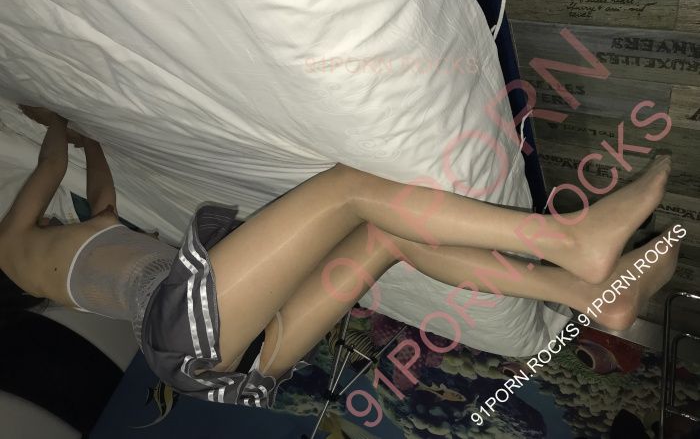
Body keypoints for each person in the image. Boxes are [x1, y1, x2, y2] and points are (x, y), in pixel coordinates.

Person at [0, 105, 679, 408]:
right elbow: (50, 168)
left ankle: (585, 296)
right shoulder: (9, 246)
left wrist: (87, 139)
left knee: (387, 238)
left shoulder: (60, 254)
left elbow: (101, 201)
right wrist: (55, 126)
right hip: (182, 327)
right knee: (348, 188)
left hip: (224, 356)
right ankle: (571, 241)